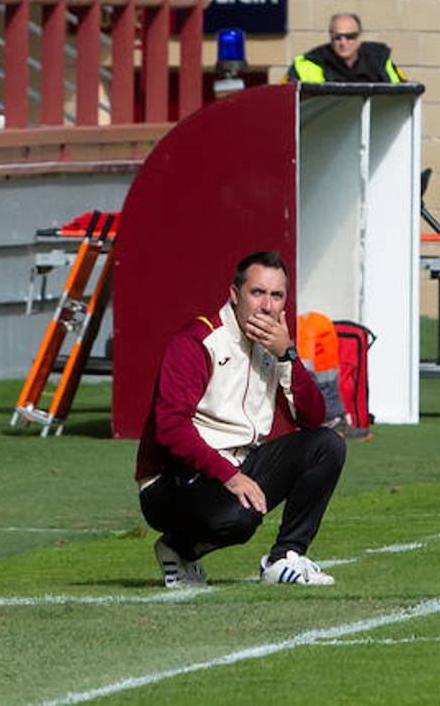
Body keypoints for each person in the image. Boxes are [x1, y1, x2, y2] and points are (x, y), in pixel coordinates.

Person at [135, 251, 345, 587]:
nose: (266, 306)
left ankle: (284, 558)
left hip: (236, 464)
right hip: (171, 479)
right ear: (234, 295)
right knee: (239, 519)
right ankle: (177, 547)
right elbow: (171, 428)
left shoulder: (274, 346)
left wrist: (287, 354)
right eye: (257, 292)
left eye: (276, 296)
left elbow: (313, 416)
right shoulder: (198, 340)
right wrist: (230, 477)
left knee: (327, 445)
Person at [286, 13, 406, 84]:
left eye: (350, 37)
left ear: (360, 37)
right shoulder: (308, 64)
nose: (343, 43)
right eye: (337, 37)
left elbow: (404, 95)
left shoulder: (380, 61)